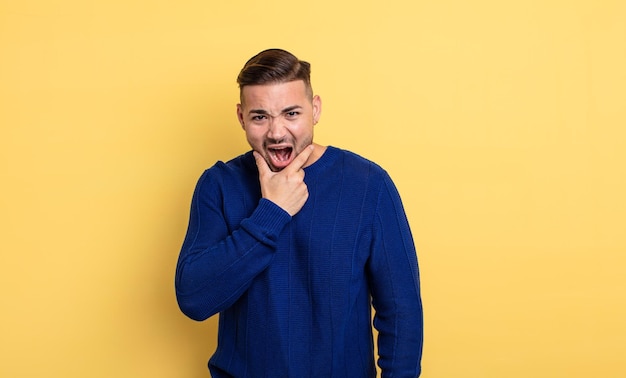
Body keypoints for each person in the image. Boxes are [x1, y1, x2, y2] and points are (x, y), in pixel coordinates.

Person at [175, 48, 423, 377]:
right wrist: (272, 212)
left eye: (291, 113)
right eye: (260, 116)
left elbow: (401, 313)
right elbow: (194, 298)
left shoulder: (368, 185)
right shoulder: (219, 184)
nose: (277, 132)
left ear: (315, 109)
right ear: (241, 116)